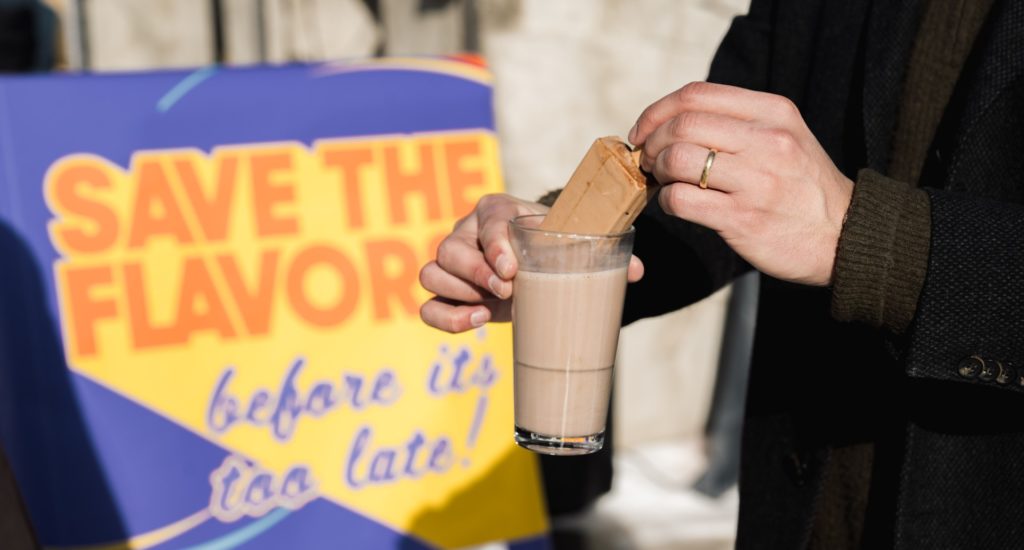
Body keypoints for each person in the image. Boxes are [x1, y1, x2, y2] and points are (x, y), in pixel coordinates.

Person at [418, 0, 1024, 548]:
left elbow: (826, 219)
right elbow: (713, 191)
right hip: (802, 514)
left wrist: (869, 239)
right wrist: (555, 241)